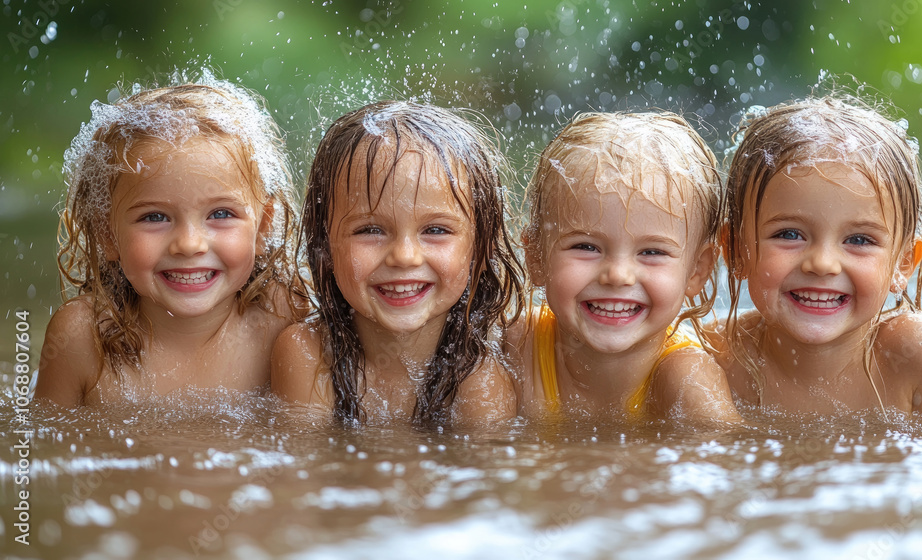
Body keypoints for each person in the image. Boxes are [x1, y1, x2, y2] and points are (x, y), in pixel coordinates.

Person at [35, 75, 306, 406]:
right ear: (108, 236)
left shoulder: (283, 317)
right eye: (155, 217)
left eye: (220, 214)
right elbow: (44, 448)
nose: (190, 244)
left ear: (263, 228)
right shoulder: (82, 338)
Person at [271, 101, 524, 427]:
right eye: (371, 230)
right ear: (324, 246)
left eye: (435, 230)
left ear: (480, 247)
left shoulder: (478, 377)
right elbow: (306, 470)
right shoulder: (308, 354)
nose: (404, 256)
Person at [715, 96, 922, 417]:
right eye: (789, 234)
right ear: (737, 250)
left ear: (903, 263)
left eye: (859, 239)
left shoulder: (916, 358)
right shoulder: (713, 359)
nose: (822, 263)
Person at [507, 111, 742, 423]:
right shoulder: (512, 347)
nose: (617, 275)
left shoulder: (688, 380)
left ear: (697, 271)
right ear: (536, 257)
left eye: (651, 252)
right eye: (586, 247)